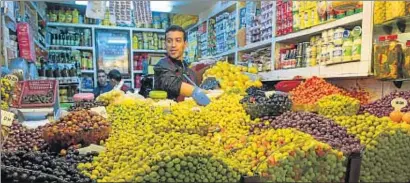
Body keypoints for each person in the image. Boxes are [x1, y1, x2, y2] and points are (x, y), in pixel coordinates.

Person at [154, 25, 210, 106]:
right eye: (169, 41)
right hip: (167, 114)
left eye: (178, 40)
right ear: (165, 44)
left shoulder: (189, 71)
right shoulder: (161, 66)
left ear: (185, 44)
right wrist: (198, 92)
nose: (173, 45)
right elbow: (171, 84)